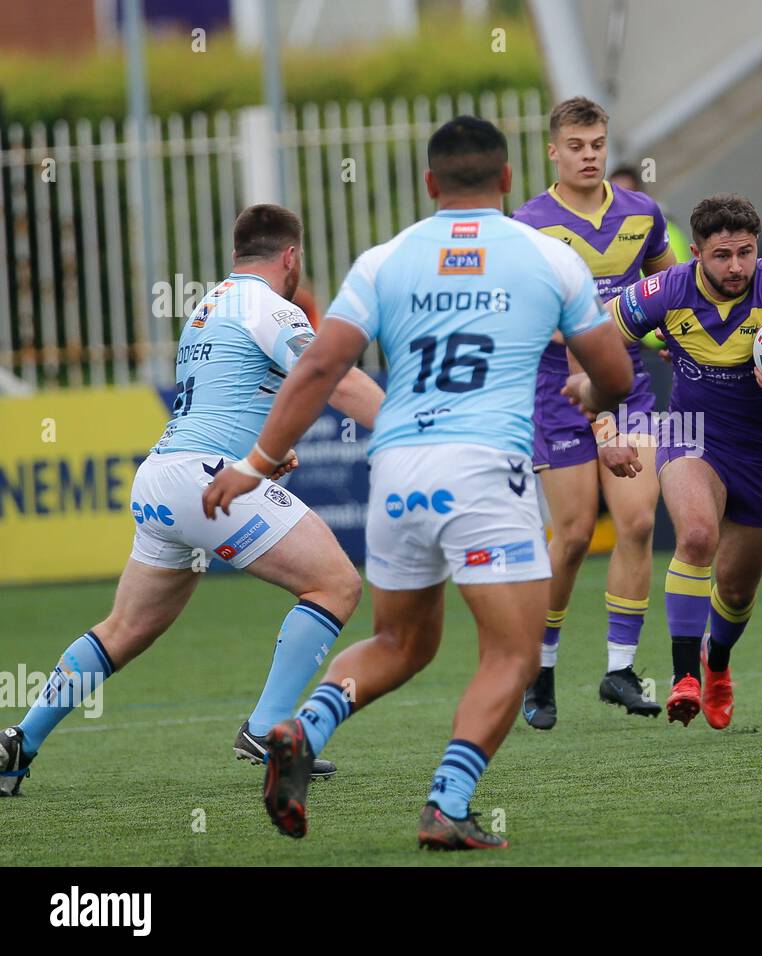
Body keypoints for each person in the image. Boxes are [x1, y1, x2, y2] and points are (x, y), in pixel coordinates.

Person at [203, 117, 633, 850]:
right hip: (485, 469)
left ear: (431, 185)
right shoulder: (548, 257)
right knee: (512, 654)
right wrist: (594, 397)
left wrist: (252, 464)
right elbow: (616, 371)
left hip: (399, 464)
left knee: (400, 641)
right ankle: (447, 802)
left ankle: (301, 730)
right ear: (507, 180)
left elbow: (318, 370)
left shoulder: (385, 260)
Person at [0, 204, 385, 796]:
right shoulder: (271, 306)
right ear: (291, 257)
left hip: (161, 476)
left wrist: (261, 455)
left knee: (126, 626)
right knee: (336, 584)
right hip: (202, 480)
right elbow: (328, 376)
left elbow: (228, 399)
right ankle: (267, 729)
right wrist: (409, 430)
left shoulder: (206, 309)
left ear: (236, 254)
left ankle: (18, 742)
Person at [568, 194, 762, 729]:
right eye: (722, 256)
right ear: (696, 254)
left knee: (736, 592)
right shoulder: (666, 290)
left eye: (745, 253)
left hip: (761, 450)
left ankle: (717, 662)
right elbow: (589, 342)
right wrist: (604, 427)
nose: (736, 267)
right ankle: (684, 676)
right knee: (695, 537)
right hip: (690, 434)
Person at [511, 98, 677, 728]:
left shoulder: (642, 214)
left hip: (629, 384)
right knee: (575, 534)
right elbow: (532, 317)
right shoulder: (528, 224)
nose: (589, 154)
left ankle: (619, 670)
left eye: (598, 144)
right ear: (553, 151)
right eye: (576, 145)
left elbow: (669, 288)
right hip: (558, 392)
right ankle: (540, 668)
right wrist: (593, 383)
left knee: (636, 522)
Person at [610, 163, 692, 263]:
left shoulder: (665, 233)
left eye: (627, 195)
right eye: (613, 195)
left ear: (641, 197)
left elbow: (677, 275)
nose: (619, 202)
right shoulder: (603, 236)